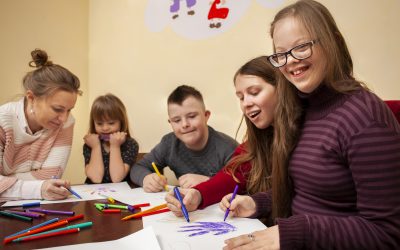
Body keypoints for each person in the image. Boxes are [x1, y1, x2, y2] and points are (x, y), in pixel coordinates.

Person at [223, 1, 400, 249]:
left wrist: (296, 232)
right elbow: (308, 195)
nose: (290, 61)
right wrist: (258, 203)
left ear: (333, 41)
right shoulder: (301, 109)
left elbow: (387, 234)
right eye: (281, 53)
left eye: (302, 47)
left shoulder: (365, 117)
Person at [165, 56, 301, 220]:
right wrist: (198, 194)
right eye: (241, 97)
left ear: (281, 89)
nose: (246, 103)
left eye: (254, 92)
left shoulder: (307, 136)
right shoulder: (257, 142)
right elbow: (233, 175)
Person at [0, 49, 81, 201]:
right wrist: (38, 187)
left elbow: (50, 176)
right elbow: (43, 183)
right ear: (31, 97)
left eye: (69, 110)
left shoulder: (67, 122)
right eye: (57, 109)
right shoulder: (2, 121)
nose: (64, 118)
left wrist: (7, 180)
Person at [130, 85, 238, 192]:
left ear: (206, 116)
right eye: (177, 120)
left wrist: (209, 182)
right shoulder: (169, 144)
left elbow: (245, 184)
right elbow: (137, 168)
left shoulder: (228, 148)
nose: (185, 124)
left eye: (191, 116)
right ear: (170, 123)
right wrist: (145, 178)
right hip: (187, 207)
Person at [83, 93, 139, 184]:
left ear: (121, 122)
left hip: (121, 193)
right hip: (94, 194)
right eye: (99, 123)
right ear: (94, 123)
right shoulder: (91, 143)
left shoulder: (131, 144)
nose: (105, 128)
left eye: (111, 123)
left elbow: (117, 178)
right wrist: (95, 147)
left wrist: (115, 146)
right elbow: (96, 178)